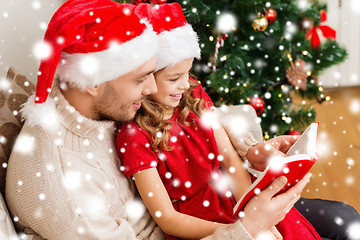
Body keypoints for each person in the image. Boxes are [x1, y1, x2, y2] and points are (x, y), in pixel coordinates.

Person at [5, 0, 311, 239]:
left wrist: (253, 149)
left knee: (345, 217)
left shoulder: (100, 102)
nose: (152, 89)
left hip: (221, 210)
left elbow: (187, 122)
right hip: (206, 228)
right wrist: (248, 228)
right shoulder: (65, 198)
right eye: (141, 79)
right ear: (92, 81)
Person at [117, 3, 321, 240]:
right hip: (198, 223)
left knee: (289, 230)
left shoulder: (193, 95)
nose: (185, 85)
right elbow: (168, 219)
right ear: (145, 77)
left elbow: (230, 160)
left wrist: (250, 211)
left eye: (188, 73)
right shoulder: (134, 136)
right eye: (174, 78)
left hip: (233, 199)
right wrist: (242, 231)